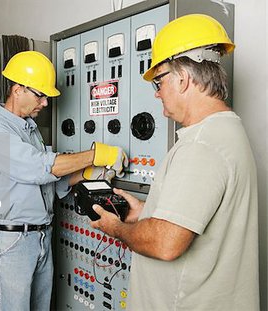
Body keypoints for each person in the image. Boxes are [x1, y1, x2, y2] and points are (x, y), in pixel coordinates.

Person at [90, 14, 259, 310]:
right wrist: (147, 212)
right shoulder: (227, 131)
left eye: (159, 81)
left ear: (182, 79)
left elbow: (166, 244)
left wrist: (115, 228)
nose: (156, 93)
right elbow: (195, 218)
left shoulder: (201, 145)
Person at [0, 50, 128, 310]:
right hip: (13, 241)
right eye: (40, 94)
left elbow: (51, 182)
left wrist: (89, 173)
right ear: (17, 89)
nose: (45, 103)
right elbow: (38, 167)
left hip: (42, 236)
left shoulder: (30, 131)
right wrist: (94, 155)